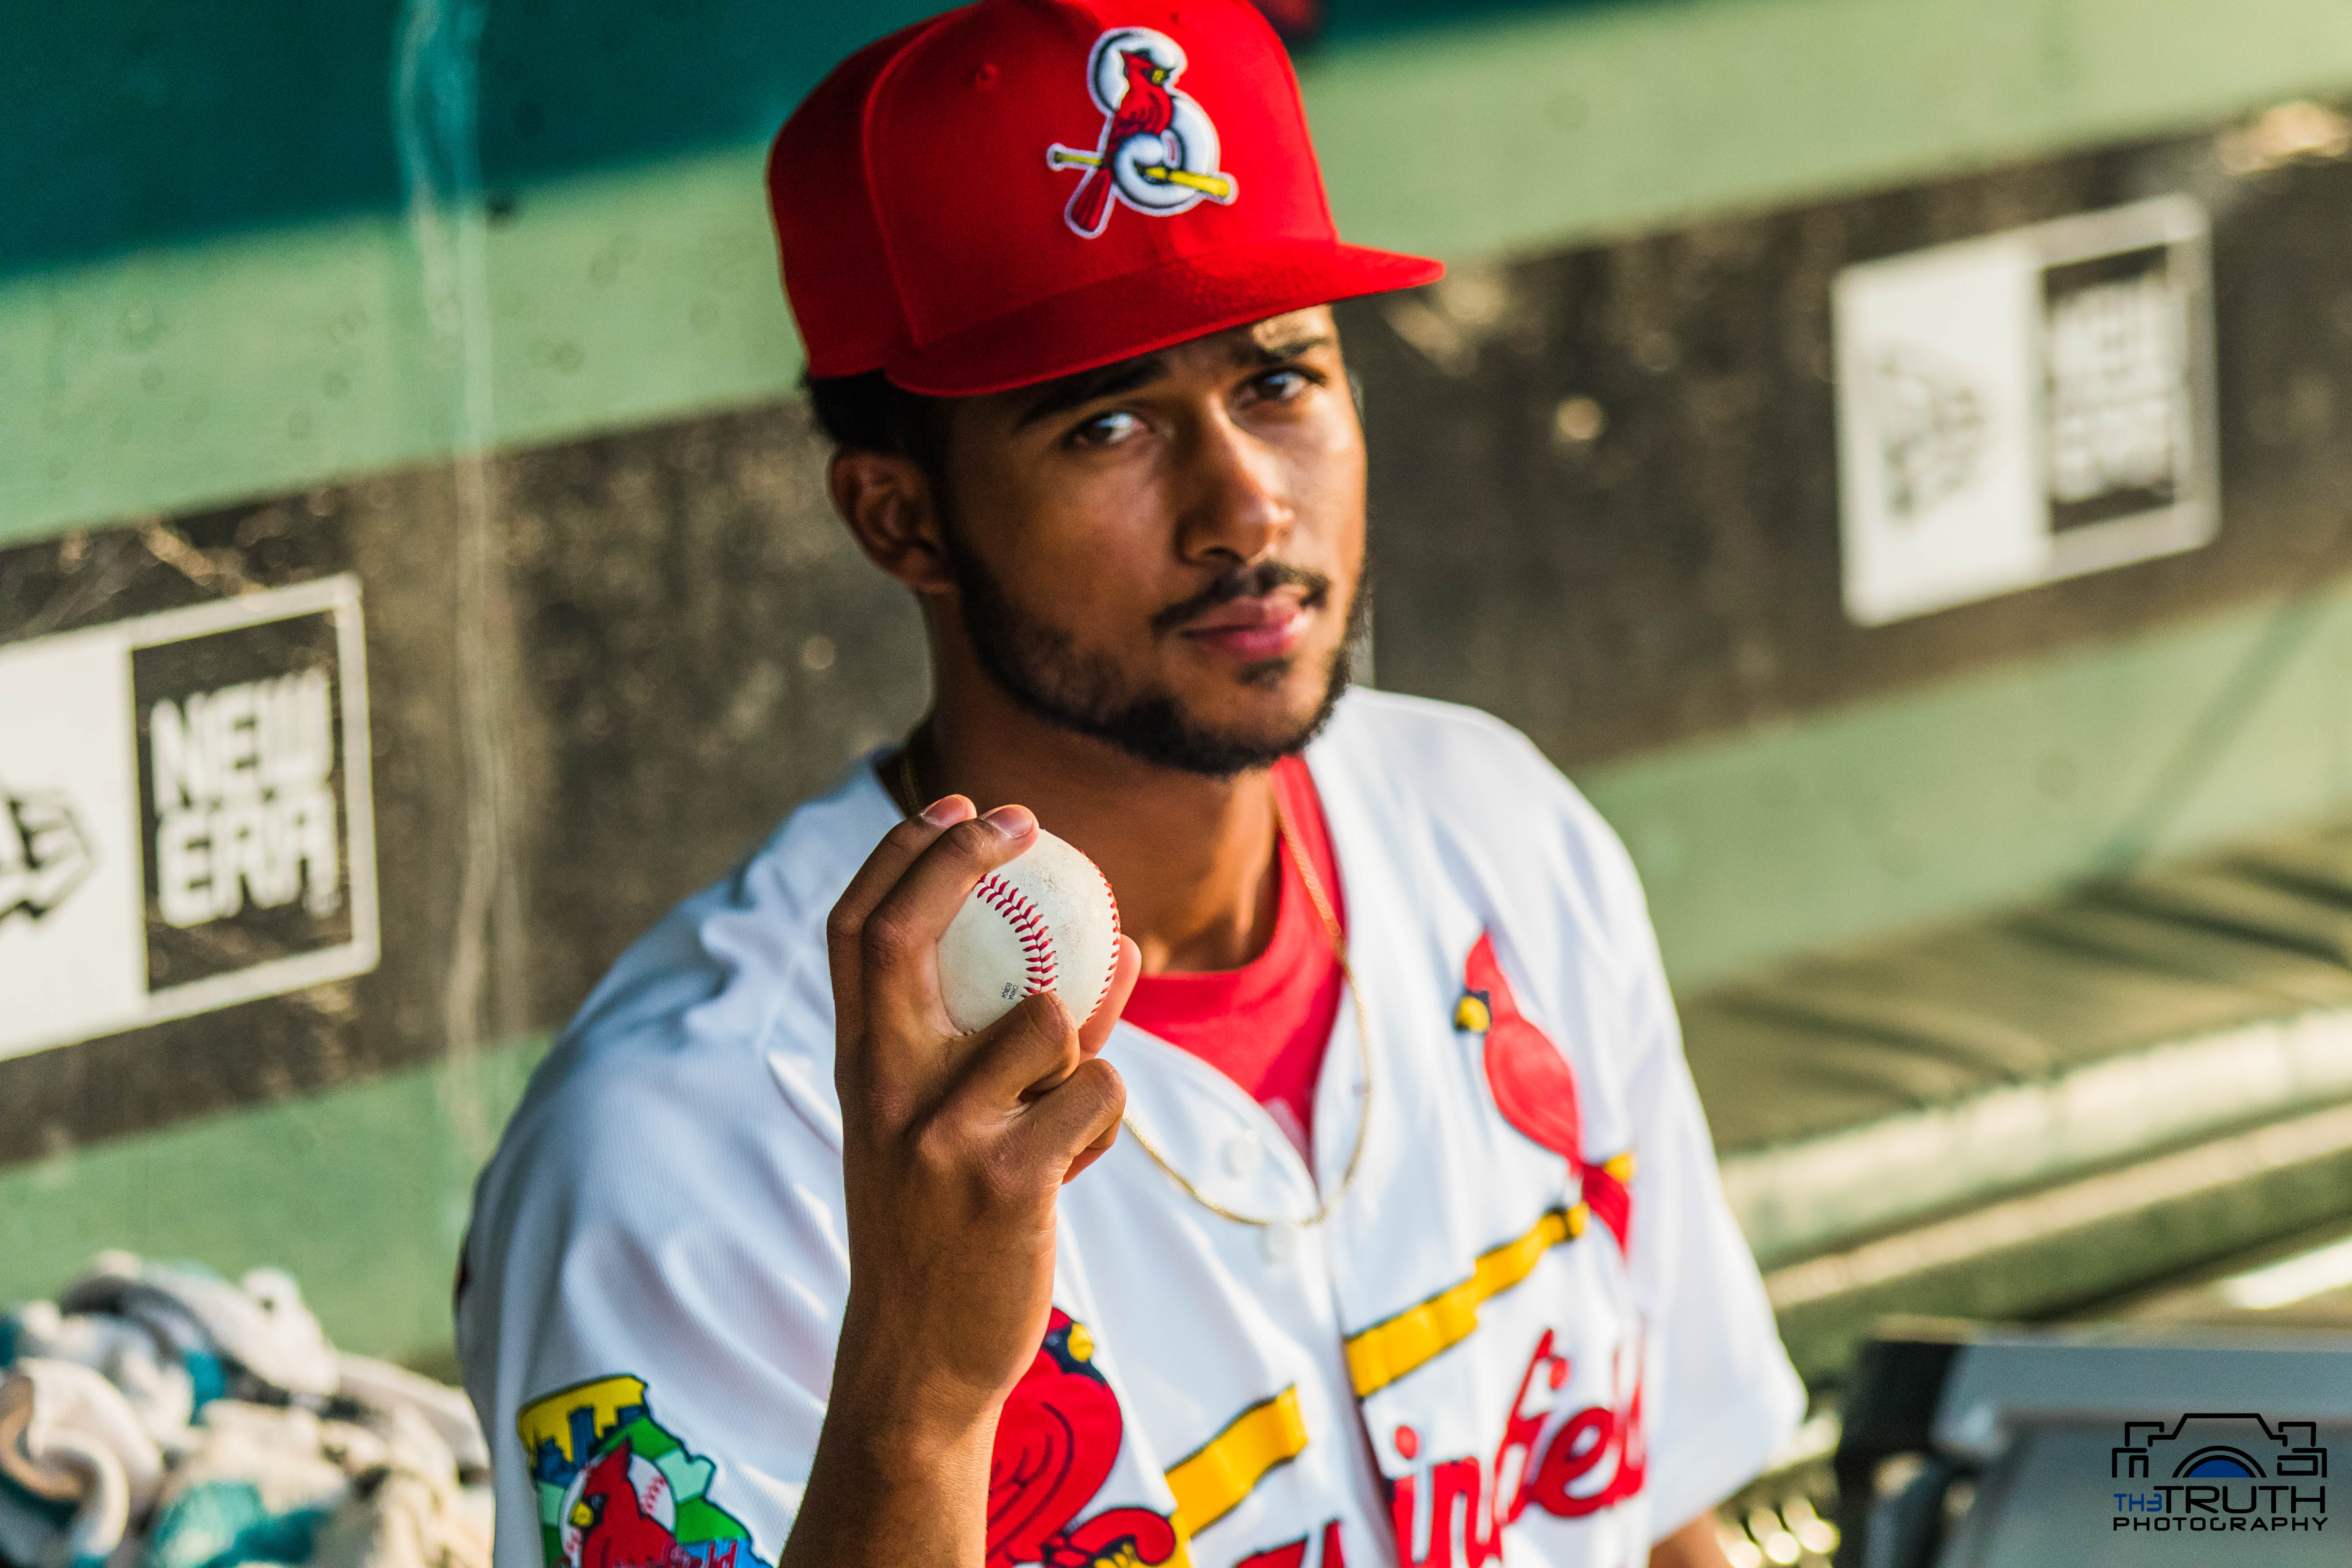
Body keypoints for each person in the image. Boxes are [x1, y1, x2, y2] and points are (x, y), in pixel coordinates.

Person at [456, 2, 1805, 1566]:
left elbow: (1657, 1521)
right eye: (1107, 421)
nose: (1244, 502)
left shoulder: (1498, 831)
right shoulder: (676, 1151)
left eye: (1282, 379)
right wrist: (920, 1403)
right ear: (901, 521)